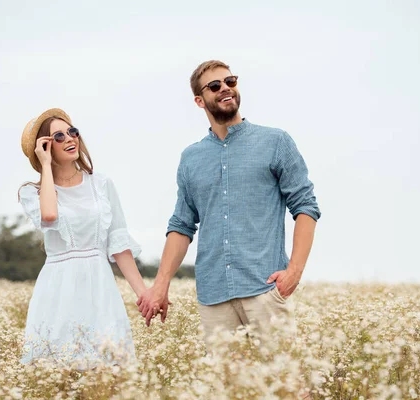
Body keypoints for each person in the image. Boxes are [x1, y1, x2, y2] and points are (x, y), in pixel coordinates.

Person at [137, 60, 321, 345]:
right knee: (224, 387)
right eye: (214, 86)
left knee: (287, 386)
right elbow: (182, 225)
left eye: (230, 81)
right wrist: (160, 285)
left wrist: (294, 271)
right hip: (213, 297)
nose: (225, 88)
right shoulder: (191, 158)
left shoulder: (275, 142)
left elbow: (306, 206)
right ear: (200, 100)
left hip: (265, 288)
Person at [18, 108, 145, 367]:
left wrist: (144, 295)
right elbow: (50, 216)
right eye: (59, 136)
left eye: (72, 132)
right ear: (44, 146)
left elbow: (118, 243)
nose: (70, 138)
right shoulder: (32, 192)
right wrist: (44, 165)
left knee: (108, 369)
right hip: (58, 289)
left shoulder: (101, 184)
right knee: (57, 371)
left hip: (100, 286)